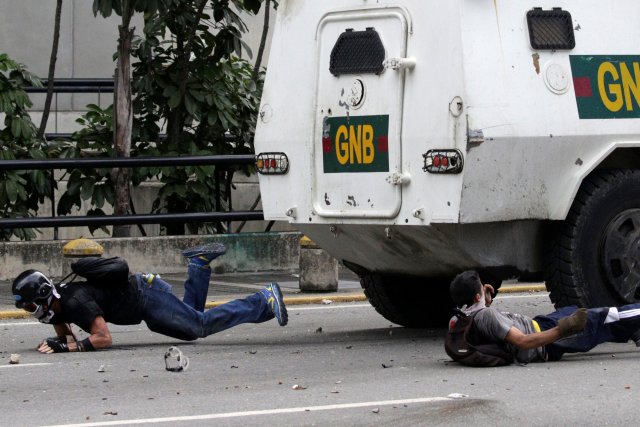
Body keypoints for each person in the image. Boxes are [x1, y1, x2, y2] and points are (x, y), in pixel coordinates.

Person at [12, 243, 288, 354]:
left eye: (30, 305)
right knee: (190, 321)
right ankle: (198, 265)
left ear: (44, 296)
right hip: (145, 301)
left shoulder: (74, 301)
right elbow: (67, 335)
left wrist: (67, 349)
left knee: (198, 326)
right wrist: (58, 341)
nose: (30, 311)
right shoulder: (58, 305)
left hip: (146, 297)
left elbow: (104, 338)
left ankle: (263, 299)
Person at [448, 270, 640, 363]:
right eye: (482, 286)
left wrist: (486, 300)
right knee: (605, 317)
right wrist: (562, 329)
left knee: (583, 313)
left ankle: (634, 329)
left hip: (540, 324)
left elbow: (490, 328)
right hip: (547, 340)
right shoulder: (486, 316)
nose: (485, 286)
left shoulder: (460, 318)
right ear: (476, 296)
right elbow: (522, 341)